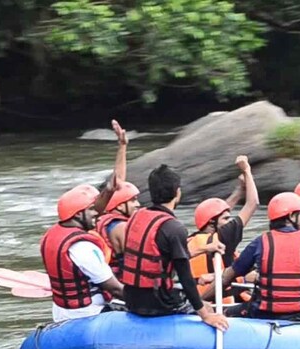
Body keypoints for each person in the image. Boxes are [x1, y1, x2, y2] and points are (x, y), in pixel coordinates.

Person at [120, 164, 229, 331]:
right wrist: (205, 315)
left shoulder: (136, 218)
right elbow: (185, 277)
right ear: (177, 192)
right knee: (206, 306)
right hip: (158, 304)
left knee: (194, 299)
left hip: (131, 299)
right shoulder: (174, 228)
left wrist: (205, 249)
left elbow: (161, 257)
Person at [208, 192, 300, 323]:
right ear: (291, 216)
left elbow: (225, 278)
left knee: (228, 311)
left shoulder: (260, 242)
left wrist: (200, 302)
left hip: (262, 314)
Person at [40, 183, 124, 322]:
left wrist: (109, 190)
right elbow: (115, 289)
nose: (97, 213)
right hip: (90, 314)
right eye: (91, 209)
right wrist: (145, 302)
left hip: (62, 314)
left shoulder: (50, 236)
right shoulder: (83, 247)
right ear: (78, 213)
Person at [187, 155, 260, 303]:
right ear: (211, 224)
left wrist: (239, 190)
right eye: (226, 219)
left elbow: (216, 213)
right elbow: (253, 203)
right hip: (224, 308)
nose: (230, 221)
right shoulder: (223, 237)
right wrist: (247, 171)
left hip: (198, 304)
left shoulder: (188, 240)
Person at [91, 120, 138, 281]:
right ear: (120, 205)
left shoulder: (99, 217)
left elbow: (119, 183)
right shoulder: (120, 226)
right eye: (133, 201)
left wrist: (122, 146)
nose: (137, 204)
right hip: (121, 285)